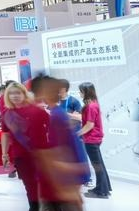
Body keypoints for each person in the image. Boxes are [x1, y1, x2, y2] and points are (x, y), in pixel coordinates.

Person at [31, 75, 87, 211]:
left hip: (60, 181)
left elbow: (63, 150)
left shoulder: (56, 115)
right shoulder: (54, 113)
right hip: (56, 180)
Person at [0, 81, 49, 211]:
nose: (15, 96)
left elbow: (52, 128)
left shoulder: (37, 110)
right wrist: (4, 154)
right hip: (21, 156)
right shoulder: (7, 114)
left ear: (24, 94)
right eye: (11, 93)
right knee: (29, 186)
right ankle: (34, 207)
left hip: (42, 155)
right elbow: (5, 134)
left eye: (18, 93)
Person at [79, 82, 111, 199]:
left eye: (81, 91)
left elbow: (89, 125)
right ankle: (104, 188)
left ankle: (101, 191)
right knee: (99, 164)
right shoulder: (93, 104)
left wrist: (77, 133)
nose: (80, 93)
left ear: (86, 92)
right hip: (94, 139)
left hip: (91, 139)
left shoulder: (91, 106)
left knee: (97, 166)